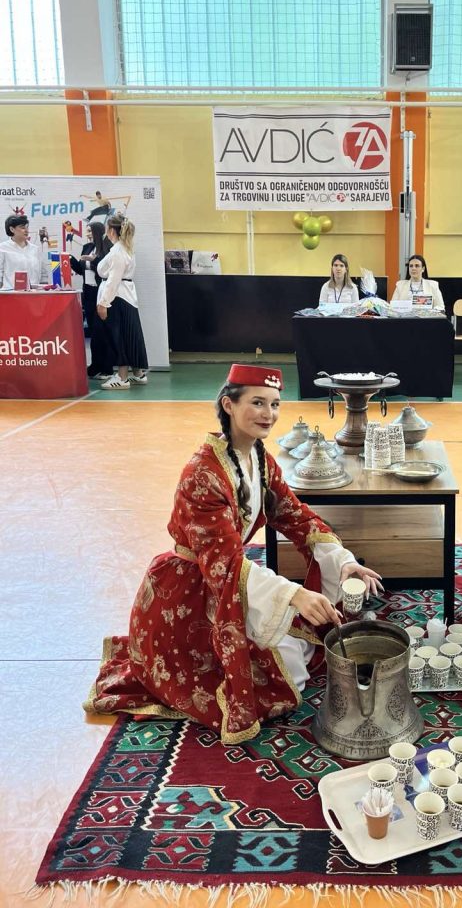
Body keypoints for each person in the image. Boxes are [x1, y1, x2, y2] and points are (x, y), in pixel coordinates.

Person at [84, 364, 383, 744]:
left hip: (230, 576)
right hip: (190, 592)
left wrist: (345, 562)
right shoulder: (202, 474)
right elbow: (223, 565)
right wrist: (295, 594)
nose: (268, 414)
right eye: (257, 403)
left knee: (296, 650)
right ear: (228, 404)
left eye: (274, 404)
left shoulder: (260, 460)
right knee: (282, 678)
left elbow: (296, 516)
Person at [96, 213, 149, 389]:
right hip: (126, 296)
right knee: (130, 334)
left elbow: (113, 280)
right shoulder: (126, 249)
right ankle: (138, 373)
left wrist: (103, 303)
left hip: (117, 297)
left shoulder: (118, 251)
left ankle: (122, 377)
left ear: (111, 231)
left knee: (119, 336)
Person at [69, 222, 114, 378]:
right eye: (86, 231)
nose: (87, 233)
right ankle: (95, 365)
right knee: (94, 332)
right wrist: (70, 260)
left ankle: (107, 368)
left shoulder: (107, 247)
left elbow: (105, 270)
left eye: (89, 231)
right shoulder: (87, 247)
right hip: (88, 292)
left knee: (102, 331)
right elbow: (81, 270)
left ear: (97, 231)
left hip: (101, 292)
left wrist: (93, 260)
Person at [0, 213, 49, 289]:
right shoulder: (2, 248)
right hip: (10, 293)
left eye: (27, 227)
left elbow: (43, 275)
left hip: (34, 294)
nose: (26, 230)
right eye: (22, 227)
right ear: (12, 229)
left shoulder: (35, 249)